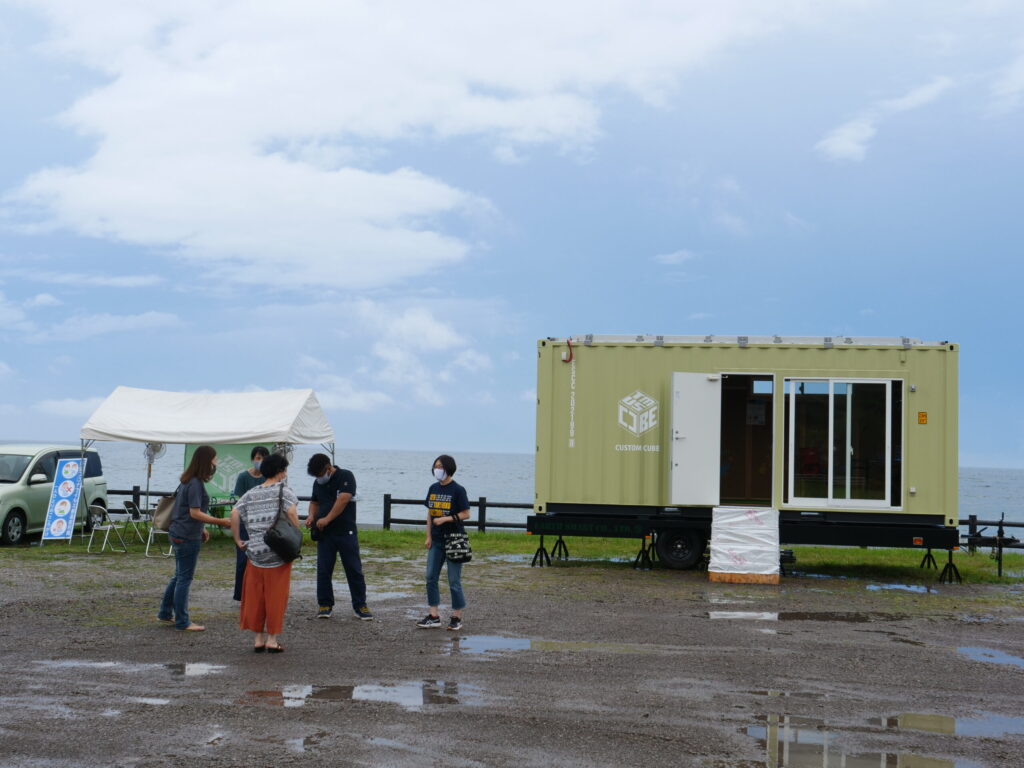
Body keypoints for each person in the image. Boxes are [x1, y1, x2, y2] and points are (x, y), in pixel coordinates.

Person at [230, 452, 299, 653]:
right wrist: (297, 531)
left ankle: (258, 639)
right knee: (276, 597)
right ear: (280, 472)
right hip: (278, 553)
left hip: (255, 553)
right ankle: (272, 639)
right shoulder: (284, 491)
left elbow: (234, 513)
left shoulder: (251, 493)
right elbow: (293, 513)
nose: (285, 473)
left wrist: (237, 539)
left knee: (256, 597)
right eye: (285, 469)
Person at [158, 445, 231, 631]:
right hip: (186, 536)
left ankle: (166, 613)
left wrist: (202, 528)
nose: (216, 463)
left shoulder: (187, 480)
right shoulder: (195, 484)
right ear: (207, 462)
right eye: (215, 459)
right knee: (184, 578)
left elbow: (188, 512)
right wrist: (220, 521)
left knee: (178, 576)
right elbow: (195, 513)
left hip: (180, 532)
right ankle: (182, 621)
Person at [305, 453, 372, 620]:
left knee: (353, 569)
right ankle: (325, 604)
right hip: (324, 534)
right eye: (316, 476)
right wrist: (311, 516)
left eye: (320, 475)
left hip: (345, 531)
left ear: (328, 468)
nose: (319, 478)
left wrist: (327, 519)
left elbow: (343, 499)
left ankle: (360, 605)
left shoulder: (345, 476)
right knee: (323, 570)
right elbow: (314, 502)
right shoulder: (317, 483)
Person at [417, 454, 469, 630]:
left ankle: (456, 617)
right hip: (437, 541)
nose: (437, 469)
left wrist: (447, 519)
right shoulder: (433, 488)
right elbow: (430, 515)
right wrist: (428, 536)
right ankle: (433, 615)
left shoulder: (458, 490)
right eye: (435, 466)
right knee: (431, 577)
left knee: (454, 580)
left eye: (440, 466)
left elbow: (466, 514)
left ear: (448, 468)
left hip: (454, 540)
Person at [231, 446, 271, 602]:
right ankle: (240, 595)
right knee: (243, 560)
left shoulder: (268, 477)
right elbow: (240, 502)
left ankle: (259, 594)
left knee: (261, 560)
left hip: (263, 525)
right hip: (245, 523)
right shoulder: (243, 477)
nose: (260, 461)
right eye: (258, 458)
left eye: (263, 458)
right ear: (253, 458)